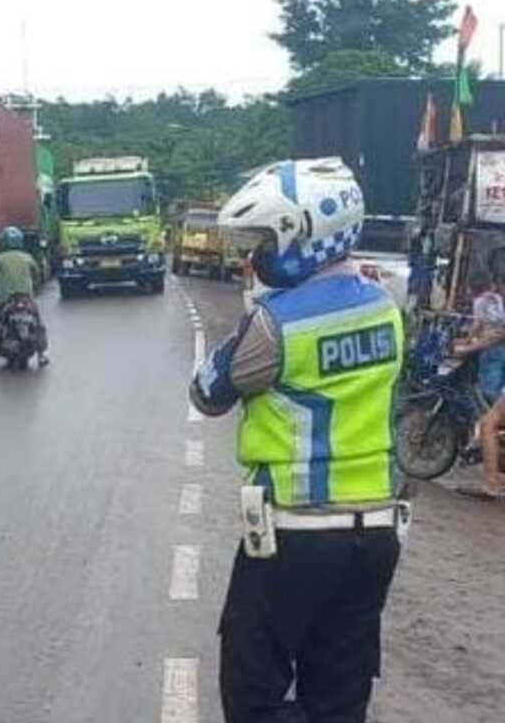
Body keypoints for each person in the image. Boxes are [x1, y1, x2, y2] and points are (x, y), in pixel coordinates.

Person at [190, 158, 406, 723]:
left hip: (295, 536)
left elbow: (208, 392)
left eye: (261, 242)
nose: (251, 256)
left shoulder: (276, 324)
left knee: (254, 691)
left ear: (299, 239)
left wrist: (251, 313)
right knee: (339, 693)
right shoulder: (387, 308)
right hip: (377, 533)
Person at [453, 263, 505, 499]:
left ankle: (491, 485)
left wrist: (468, 346)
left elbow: (496, 333)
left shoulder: (485, 302)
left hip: (492, 353)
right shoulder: (494, 300)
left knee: (488, 423)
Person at [0, 226, 49, 369]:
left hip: (6, 299)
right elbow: (38, 275)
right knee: (39, 325)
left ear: (4, 242)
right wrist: (34, 286)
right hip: (26, 298)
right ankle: (41, 356)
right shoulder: (28, 257)